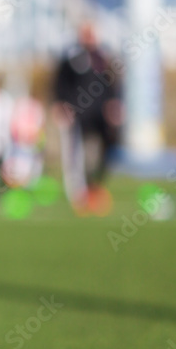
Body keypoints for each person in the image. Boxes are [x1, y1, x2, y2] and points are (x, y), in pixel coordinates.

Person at [52, 22, 123, 215]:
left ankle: (95, 188)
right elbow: (60, 83)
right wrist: (60, 104)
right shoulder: (72, 57)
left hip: (99, 114)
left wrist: (114, 104)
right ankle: (78, 195)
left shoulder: (103, 57)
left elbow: (112, 83)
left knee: (103, 152)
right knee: (75, 154)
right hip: (77, 113)